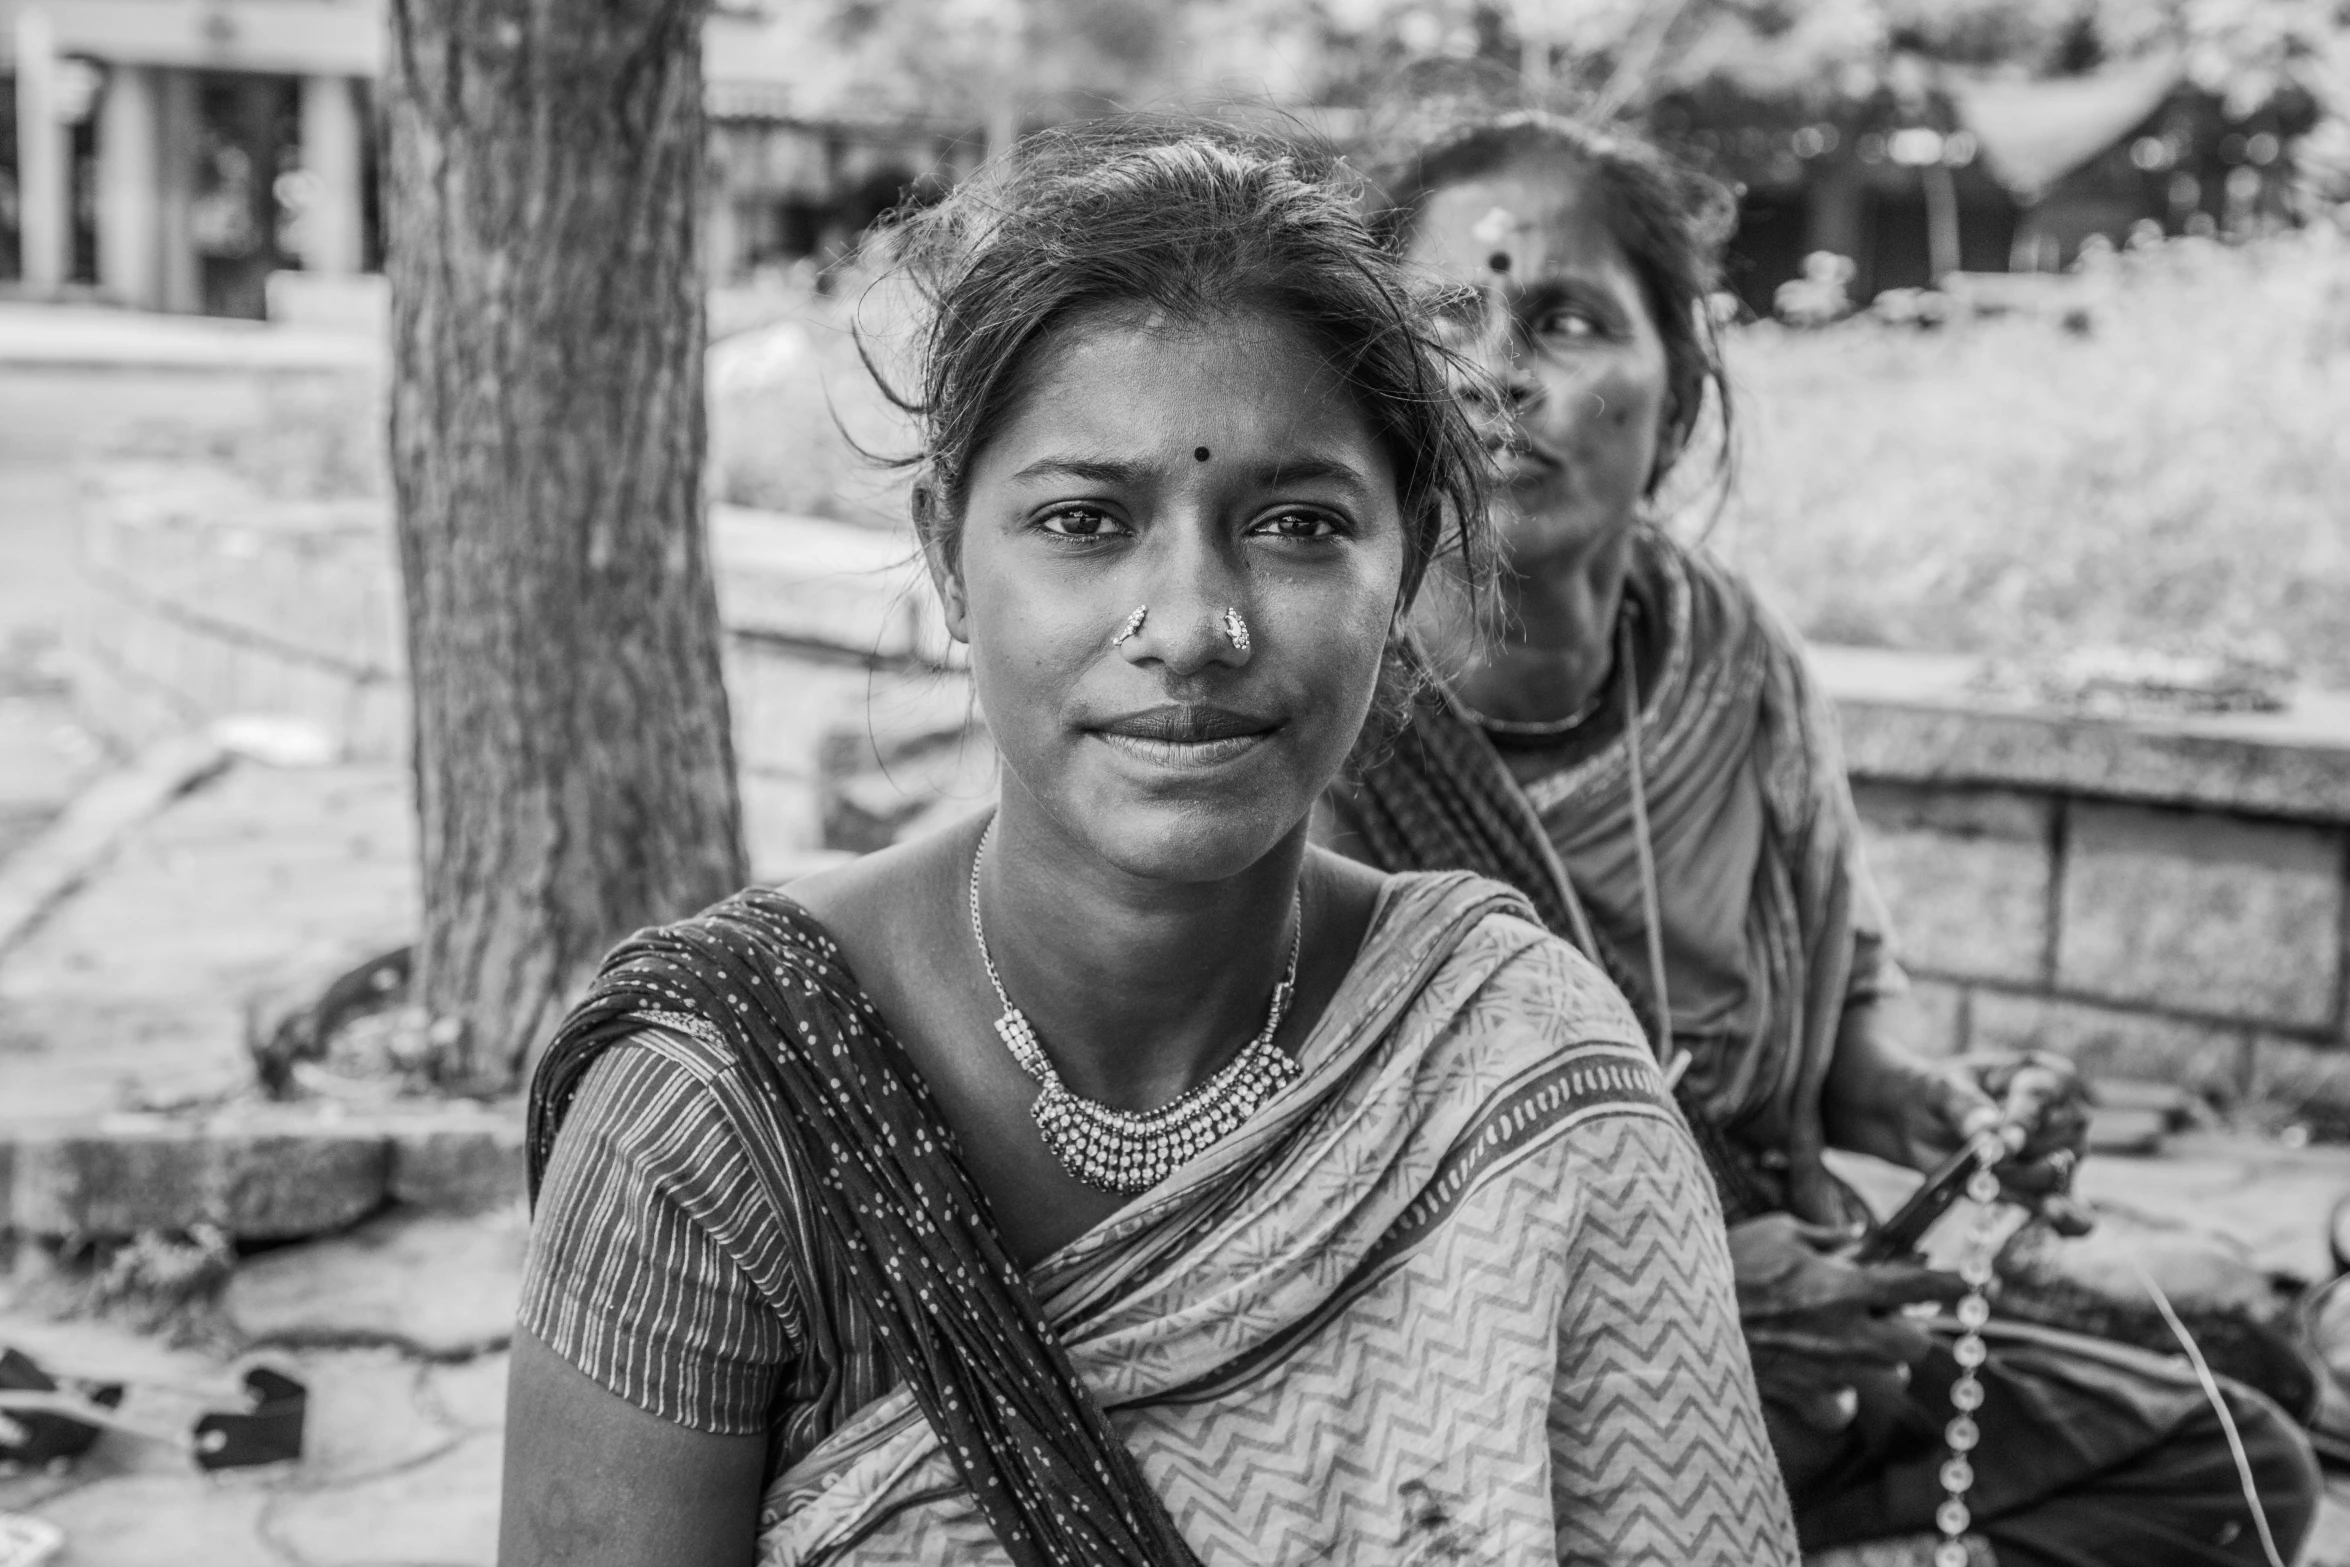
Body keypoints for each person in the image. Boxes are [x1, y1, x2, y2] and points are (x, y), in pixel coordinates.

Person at [501, 121, 1797, 1566]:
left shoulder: (1517, 1061)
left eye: (1299, 523)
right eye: (1083, 520)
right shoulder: (722, 1110)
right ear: (945, 555)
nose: (1191, 627)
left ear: (1410, 557)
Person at [1323, 109, 2324, 1567]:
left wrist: (1929, 1101)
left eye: (1564, 319)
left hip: (1815, 1348)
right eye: (1446, 322)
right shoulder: (1328, 715)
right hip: (1499, 1411)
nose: (1497, 375)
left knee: (2235, 1463)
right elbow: (1319, 1199)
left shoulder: (1734, 663)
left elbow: (1840, 1016)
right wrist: (1691, 1285)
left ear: (1673, 395)